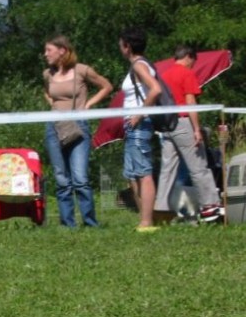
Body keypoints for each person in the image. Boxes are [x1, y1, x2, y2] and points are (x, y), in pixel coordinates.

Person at [43, 35, 112, 227]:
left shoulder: (82, 70)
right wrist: (54, 107)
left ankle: (90, 222)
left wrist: (88, 104)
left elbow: (106, 86)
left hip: (78, 126)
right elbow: (47, 93)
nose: (45, 54)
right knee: (61, 178)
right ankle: (68, 224)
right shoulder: (47, 74)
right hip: (53, 127)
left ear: (62, 50)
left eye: (49, 50)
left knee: (80, 178)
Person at [154, 46, 223, 222]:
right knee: (198, 166)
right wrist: (197, 129)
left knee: (167, 170)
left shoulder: (164, 75)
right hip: (183, 122)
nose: (193, 64)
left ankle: (161, 209)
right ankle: (210, 206)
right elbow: (190, 102)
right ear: (189, 57)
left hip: (167, 125)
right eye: (193, 61)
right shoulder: (186, 73)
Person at [118, 27, 162, 232]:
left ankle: (147, 222)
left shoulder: (139, 65)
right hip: (131, 125)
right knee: (131, 173)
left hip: (139, 124)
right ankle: (143, 218)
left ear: (127, 46)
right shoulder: (138, 65)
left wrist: (139, 114)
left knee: (143, 173)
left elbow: (155, 89)